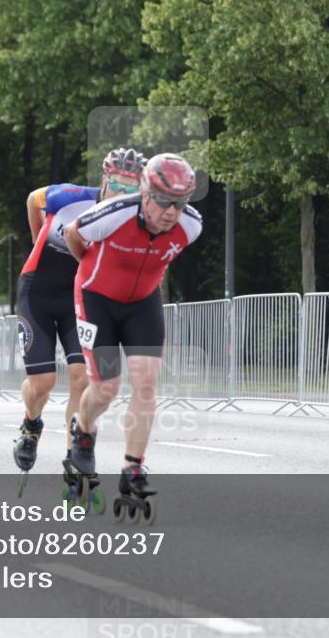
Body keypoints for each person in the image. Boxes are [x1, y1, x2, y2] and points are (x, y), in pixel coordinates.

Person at [63, 153, 202, 514]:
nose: (172, 212)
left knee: (145, 382)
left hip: (142, 304)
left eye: (180, 203)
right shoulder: (115, 213)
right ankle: (83, 427)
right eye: (164, 201)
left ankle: (133, 467)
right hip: (97, 301)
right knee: (106, 387)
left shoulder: (191, 225)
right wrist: (91, 268)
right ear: (144, 193)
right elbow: (71, 235)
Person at [12, 148, 147, 475]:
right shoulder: (69, 197)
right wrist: (37, 241)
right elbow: (33, 200)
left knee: (81, 378)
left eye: (132, 189)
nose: (123, 194)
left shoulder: (132, 221)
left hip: (78, 299)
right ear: (104, 179)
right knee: (42, 383)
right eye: (118, 184)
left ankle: (74, 457)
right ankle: (31, 424)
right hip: (38, 292)